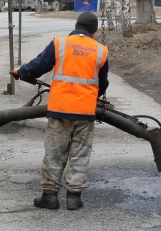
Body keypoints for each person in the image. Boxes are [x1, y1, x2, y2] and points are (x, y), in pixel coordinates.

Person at [10, 12, 109, 211]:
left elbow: (38, 66)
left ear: (76, 25)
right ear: (94, 31)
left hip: (60, 110)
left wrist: (20, 73)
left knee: (55, 154)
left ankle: (50, 196)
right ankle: (74, 198)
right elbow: (103, 83)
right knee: (80, 154)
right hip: (85, 112)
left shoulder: (60, 44)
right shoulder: (101, 51)